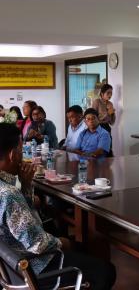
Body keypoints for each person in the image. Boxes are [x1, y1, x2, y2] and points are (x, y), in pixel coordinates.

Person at [0, 123, 116, 289]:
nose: (22, 156)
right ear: (12, 154)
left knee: (79, 246)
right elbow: (38, 244)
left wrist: (26, 185)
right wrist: (62, 242)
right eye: (21, 150)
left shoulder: (7, 189)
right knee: (105, 270)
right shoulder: (9, 194)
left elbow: (19, 219)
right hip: (32, 268)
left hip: (9, 266)